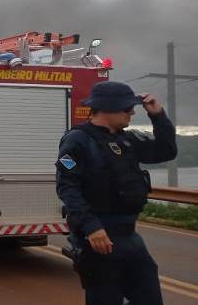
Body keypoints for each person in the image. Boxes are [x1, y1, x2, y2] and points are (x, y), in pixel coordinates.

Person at [56, 81, 177, 305]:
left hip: (130, 237)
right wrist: (92, 228)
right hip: (98, 240)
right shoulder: (77, 141)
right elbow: (67, 187)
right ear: (107, 107)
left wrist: (158, 116)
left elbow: (167, 150)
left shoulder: (127, 139)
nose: (132, 112)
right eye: (126, 108)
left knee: (149, 299)